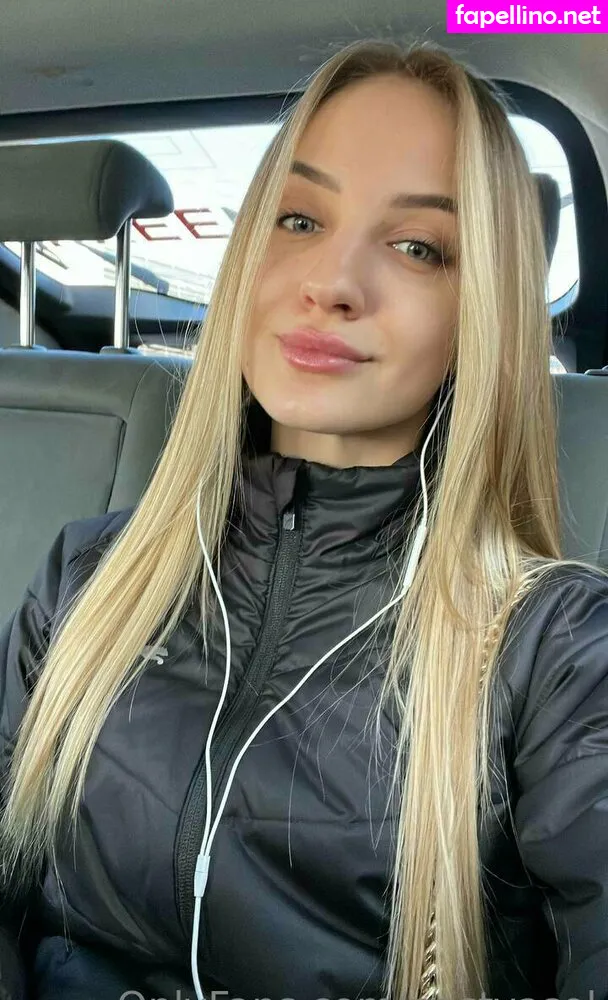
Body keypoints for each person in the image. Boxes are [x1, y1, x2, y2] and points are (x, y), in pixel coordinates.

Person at [0, 36, 607, 1000]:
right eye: (299, 218)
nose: (333, 282)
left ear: (482, 309)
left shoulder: (555, 651)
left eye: (417, 247)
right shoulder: (88, 579)